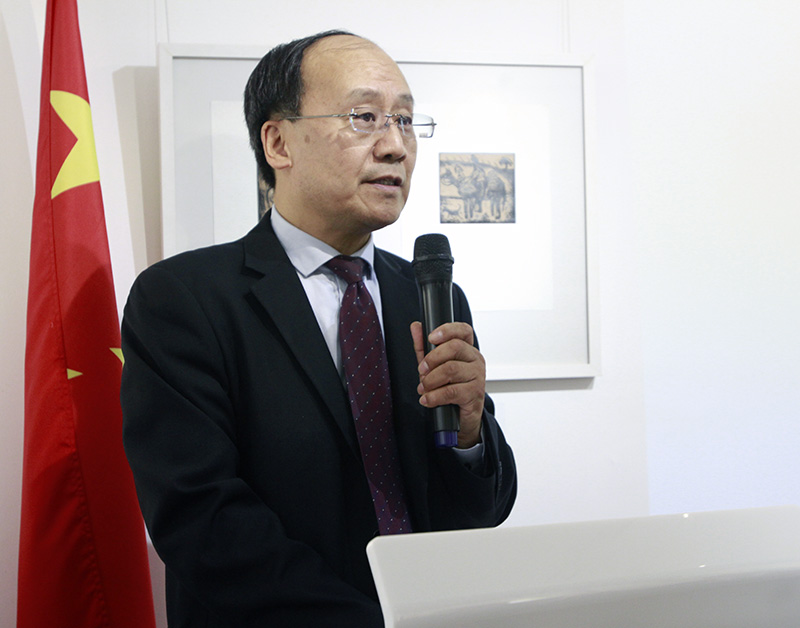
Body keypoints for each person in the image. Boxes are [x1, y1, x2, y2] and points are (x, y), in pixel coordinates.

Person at [121, 30, 516, 628]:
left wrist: (467, 438)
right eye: (364, 118)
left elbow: (482, 512)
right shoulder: (184, 299)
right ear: (279, 142)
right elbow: (202, 522)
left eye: (407, 122)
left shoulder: (432, 295)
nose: (395, 147)